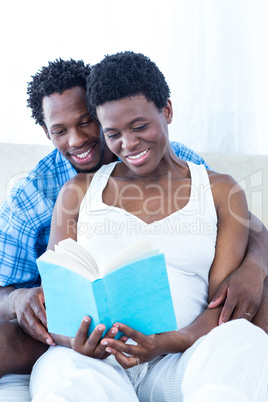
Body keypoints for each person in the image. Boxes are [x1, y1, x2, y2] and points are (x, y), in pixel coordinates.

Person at [0, 58, 267, 379]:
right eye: (60, 130)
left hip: (180, 329)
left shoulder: (171, 158)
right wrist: (17, 299)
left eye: (86, 122)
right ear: (46, 132)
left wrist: (255, 267)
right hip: (67, 327)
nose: (76, 140)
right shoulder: (37, 192)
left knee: (258, 299)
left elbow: (242, 223)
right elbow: (6, 285)